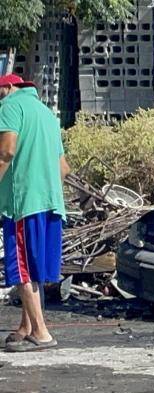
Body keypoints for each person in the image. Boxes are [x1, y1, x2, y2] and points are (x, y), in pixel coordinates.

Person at [0, 74, 70, 352]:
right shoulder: (45, 113)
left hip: (23, 203)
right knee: (34, 266)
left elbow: (6, 152)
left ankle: (41, 333)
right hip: (50, 201)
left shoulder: (8, 107)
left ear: (6, 88)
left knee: (22, 268)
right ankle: (26, 326)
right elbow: (63, 167)